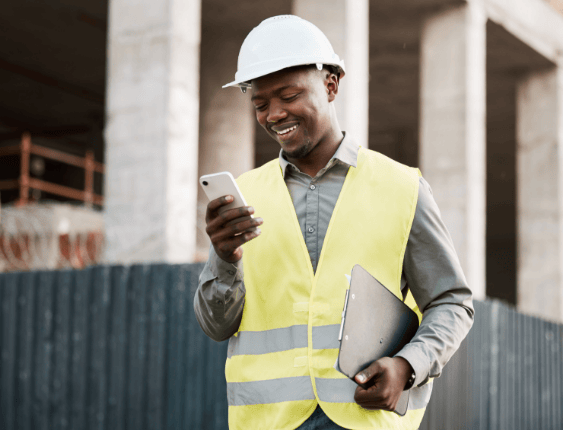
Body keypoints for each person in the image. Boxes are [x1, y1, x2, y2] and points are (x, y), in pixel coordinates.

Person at [194, 15, 474, 430]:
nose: (274, 114)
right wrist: (223, 258)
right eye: (259, 103)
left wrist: (407, 366)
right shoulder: (245, 196)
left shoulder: (401, 187)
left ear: (331, 85)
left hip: (365, 418)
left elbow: (452, 303)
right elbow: (216, 327)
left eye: (288, 95)